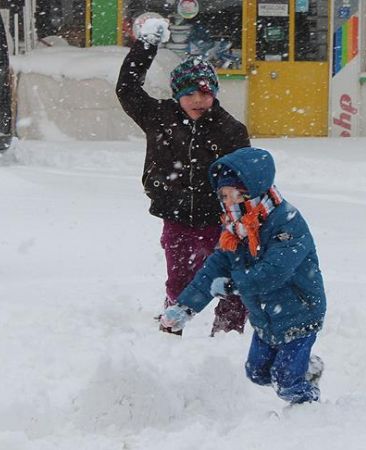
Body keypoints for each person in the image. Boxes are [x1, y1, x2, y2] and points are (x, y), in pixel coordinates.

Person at [116, 15, 251, 335]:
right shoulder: (158, 117)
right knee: (179, 279)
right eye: (190, 93)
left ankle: (228, 336)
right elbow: (127, 88)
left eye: (205, 93)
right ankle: (171, 328)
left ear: (214, 94)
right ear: (177, 94)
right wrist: (146, 46)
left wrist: (243, 216)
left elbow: (246, 176)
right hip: (175, 214)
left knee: (231, 280)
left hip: (220, 220)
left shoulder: (230, 130)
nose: (198, 100)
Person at [160, 147, 327, 404]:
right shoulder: (236, 227)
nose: (225, 201)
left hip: (299, 312)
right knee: (257, 373)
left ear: (250, 190)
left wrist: (233, 286)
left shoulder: (287, 223)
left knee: (286, 382)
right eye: (222, 195)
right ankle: (306, 367)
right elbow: (214, 269)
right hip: (265, 317)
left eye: (230, 194)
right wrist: (184, 308)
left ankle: (310, 405)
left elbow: (274, 271)